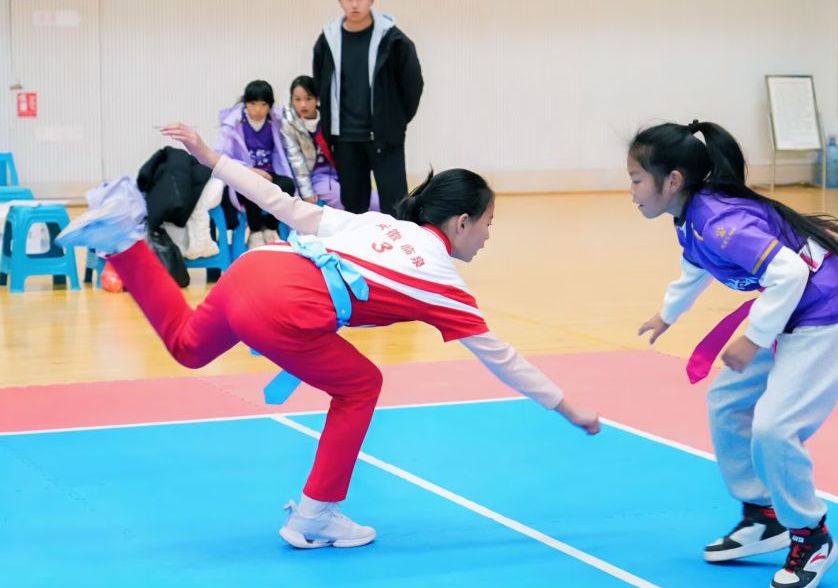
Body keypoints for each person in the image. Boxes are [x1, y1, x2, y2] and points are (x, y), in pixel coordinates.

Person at [56, 123, 600, 551]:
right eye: (488, 223)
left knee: (186, 346)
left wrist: (212, 157)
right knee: (361, 386)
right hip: (284, 306)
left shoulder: (380, 224)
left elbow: (282, 205)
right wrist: (567, 406)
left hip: (255, 269)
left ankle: (123, 241)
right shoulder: (444, 284)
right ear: (462, 222)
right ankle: (315, 514)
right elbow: (502, 359)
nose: (488, 235)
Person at [628, 120, 838, 588]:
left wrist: (754, 338)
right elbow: (695, 265)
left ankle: (812, 536)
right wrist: (667, 314)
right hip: (787, 312)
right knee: (727, 402)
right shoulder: (693, 217)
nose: (631, 191)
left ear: (672, 181)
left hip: (823, 315)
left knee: (775, 429)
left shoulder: (720, 222)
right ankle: (764, 513)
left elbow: (790, 272)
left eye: (636, 179)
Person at [313, 0, 423, 217]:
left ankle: (396, 244)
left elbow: (413, 84)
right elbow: (321, 82)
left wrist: (395, 120)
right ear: (340, 0)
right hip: (344, 138)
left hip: (385, 136)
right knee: (353, 207)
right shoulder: (328, 40)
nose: (355, 4)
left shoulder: (393, 40)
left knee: (396, 205)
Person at [217, 80, 296, 249]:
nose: (258, 109)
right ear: (245, 104)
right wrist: (250, 170)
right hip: (243, 175)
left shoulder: (276, 121)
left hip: (270, 174)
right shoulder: (233, 124)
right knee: (251, 184)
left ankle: (270, 227)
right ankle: (255, 231)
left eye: (263, 104)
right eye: (253, 104)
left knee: (288, 185)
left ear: (270, 106)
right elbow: (222, 157)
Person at [280, 75, 376, 211]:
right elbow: (296, 161)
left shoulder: (329, 117)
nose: (303, 104)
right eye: (297, 99)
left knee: (375, 203)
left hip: (342, 171)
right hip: (317, 176)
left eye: (308, 98)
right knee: (343, 201)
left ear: (317, 98)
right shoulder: (289, 124)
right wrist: (307, 193)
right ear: (292, 99)